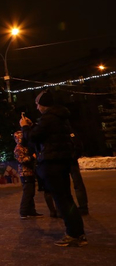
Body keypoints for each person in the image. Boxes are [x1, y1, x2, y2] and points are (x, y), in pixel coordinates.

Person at [21, 90, 87, 247]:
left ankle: (73, 234)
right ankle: (78, 232)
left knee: (62, 200)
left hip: (52, 163)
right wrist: (33, 126)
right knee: (67, 198)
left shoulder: (49, 118)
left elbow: (32, 138)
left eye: (37, 104)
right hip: (62, 162)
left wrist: (24, 128)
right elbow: (43, 134)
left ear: (44, 105)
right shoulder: (59, 118)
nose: (37, 108)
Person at [13, 131, 43, 219]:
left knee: (31, 192)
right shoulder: (18, 148)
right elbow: (22, 160)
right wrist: (32, 157)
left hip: (29, 172)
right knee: (28, 192)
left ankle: (31, 211)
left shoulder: (25, 147)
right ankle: (24, 211)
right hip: (25, 173)